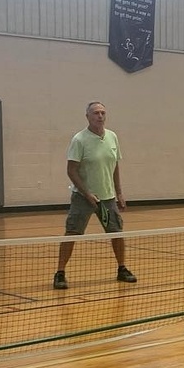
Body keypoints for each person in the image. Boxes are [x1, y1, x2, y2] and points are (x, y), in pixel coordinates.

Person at [53, 101, 136, 289]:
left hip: (107, 197)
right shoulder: (79, 139)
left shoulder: (112, 137)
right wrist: (86, 192)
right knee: (72, 232)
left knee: (116, 233)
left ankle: (122, 269)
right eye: (96, 113)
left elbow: (115, 167)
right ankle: (60, 273)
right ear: (88, 117)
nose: (100, 116)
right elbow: (71, 170)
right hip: (83, 197)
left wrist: (119, 193)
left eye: (103, 112)